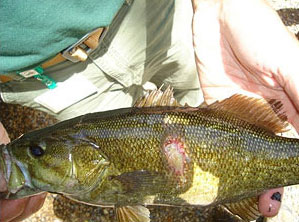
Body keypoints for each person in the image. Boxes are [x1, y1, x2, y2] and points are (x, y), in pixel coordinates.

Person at [0, 0, 298, 221]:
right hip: (43, 81)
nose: (30, 155)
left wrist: (219, 5)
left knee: (202, 90)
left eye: (37, 151)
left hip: (150, 12)